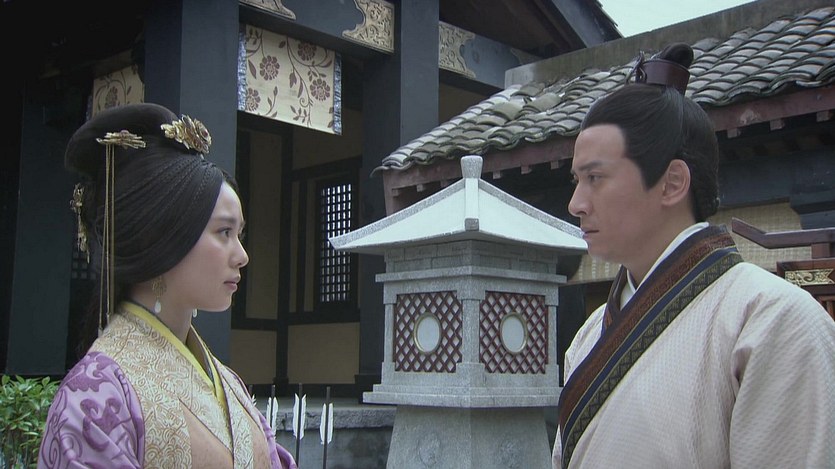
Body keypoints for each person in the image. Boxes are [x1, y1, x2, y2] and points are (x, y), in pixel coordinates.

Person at [552, 43, 835, 468]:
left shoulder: (774, 320)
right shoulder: (589, 335)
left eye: (595, 177)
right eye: (576, 180)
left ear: (672, 183)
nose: (575, 204)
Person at [37, 103, 297, 469]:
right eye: (224, 232)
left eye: (239, 235)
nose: (242, 256)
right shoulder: (93, 401)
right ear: (162, 238)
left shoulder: (229, 384)